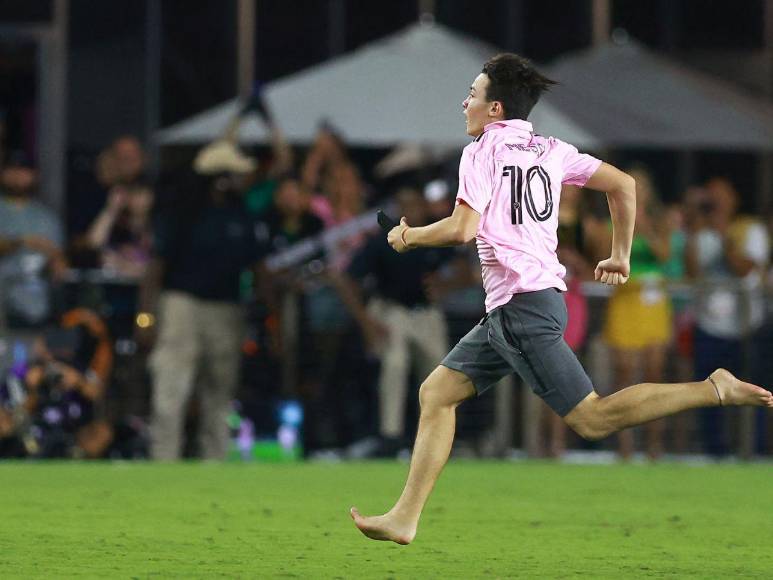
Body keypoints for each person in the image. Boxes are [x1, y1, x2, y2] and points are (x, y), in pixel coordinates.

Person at [350, 53, 773, 545]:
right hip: (528, 304)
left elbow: (463, 228)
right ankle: (405, 517)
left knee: (592, 418)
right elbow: (624, 185)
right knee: (436, 394)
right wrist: (620, 255)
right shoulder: (551, 149)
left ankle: (713, 389)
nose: (464, 101)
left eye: (473, 93)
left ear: (495, 109)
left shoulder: (482, 151)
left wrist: (409, 238)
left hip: (522, 308)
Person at [138, 139, 267, 460]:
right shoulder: (182, 212)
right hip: (182, 305)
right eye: (235, 173)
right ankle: (163, 458)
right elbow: (155, 268)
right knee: (172, 383)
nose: (242, 179)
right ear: (220, 177)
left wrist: (266, 310)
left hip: (226, 309)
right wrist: (146, 317)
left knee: (220, 388)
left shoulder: (242, 214)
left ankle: (215, 459)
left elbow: (258, 266)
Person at [334, 187, 460, 456]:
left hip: (426, 313)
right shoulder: (384, 239)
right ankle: (390, 437)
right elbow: (346, 279)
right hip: (393, 312)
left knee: (441, 371)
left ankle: (437, 435)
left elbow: (466, 269)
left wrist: (446, 284)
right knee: (395, 363)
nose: (409, 211)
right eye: (403, 206)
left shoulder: (434, 235)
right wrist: (366, 321)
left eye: (414, 205)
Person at [684, 177, 771, 456]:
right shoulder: (701, 231)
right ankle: (715, 451)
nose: (715, 202)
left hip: (745, 326)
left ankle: (752, 449)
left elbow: (745, 269)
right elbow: (693, 273)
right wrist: (696, 228)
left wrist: (724, 236)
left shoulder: (750, 229)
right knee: (707, 390)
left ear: (733, 198)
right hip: (710, 325)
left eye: (721, 196)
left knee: (751, 389)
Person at [601, 166, 673, 461]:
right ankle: (625, 446)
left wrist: (646, 229)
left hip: (652, 302)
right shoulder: (613, 222)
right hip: (625, 298)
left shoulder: (659, 221)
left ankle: (654, 445)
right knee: (624, 372)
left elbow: (665, 256)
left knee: (654, 372)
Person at [0, 154, 67, 330]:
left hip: (36, 306)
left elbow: (59, 262)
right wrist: (21, 241)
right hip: (4, 304)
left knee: (25, 355)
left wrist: (56, 260)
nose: (17, 176)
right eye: (12, 170)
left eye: (24, 171)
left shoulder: (46, 218)